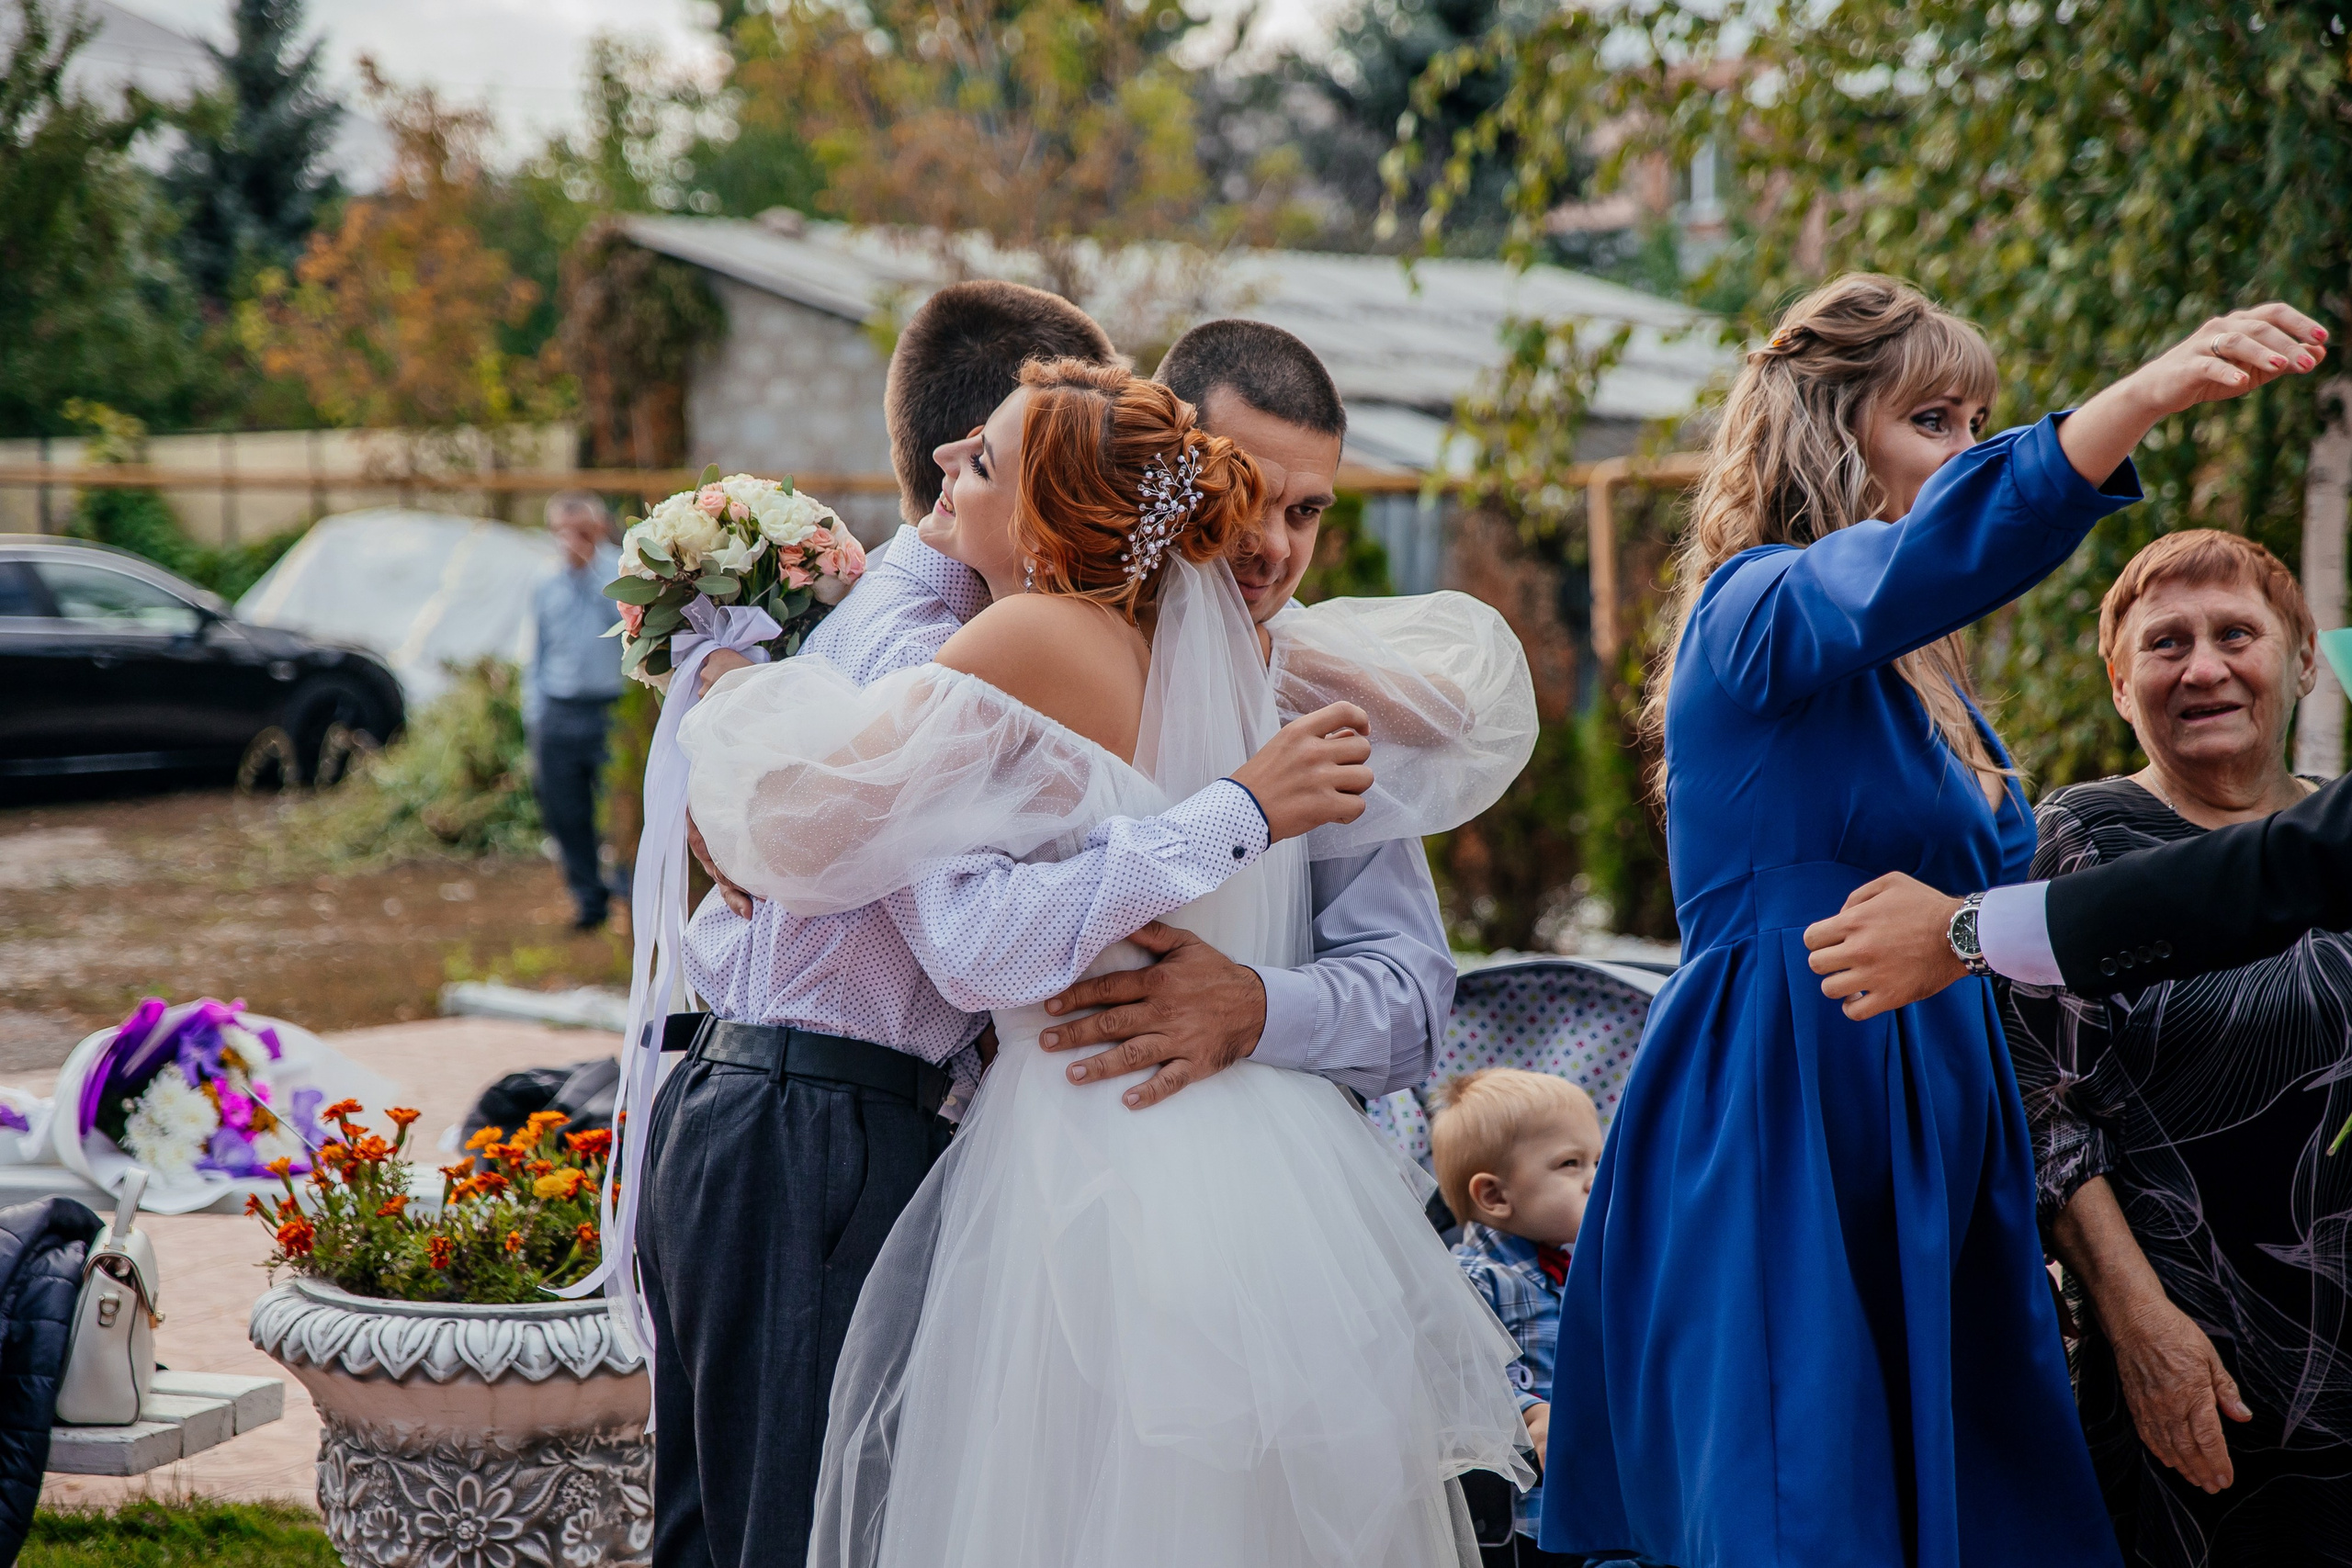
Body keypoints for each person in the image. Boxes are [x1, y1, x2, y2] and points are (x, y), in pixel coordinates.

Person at [682, 360, 1540, 1565]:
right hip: (1262, 1184)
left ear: (1042, 516)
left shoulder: (1035, 635)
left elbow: (900, 881)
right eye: (1257, 500)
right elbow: (1452, 714)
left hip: (1091, 1158)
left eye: (979, 460)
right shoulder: (1254, 667)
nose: (946, 473)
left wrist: (720, 690)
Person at [1541, 273, 2326, 1568]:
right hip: (1792, 1099)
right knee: (1807, 1505)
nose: (1964, 451)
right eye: (1936, 420)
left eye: (1979, 422)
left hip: (1940, 1117)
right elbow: (1942, 546)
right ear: (1829, 433)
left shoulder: (1929, 687)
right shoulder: (1754, 608)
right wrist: (2147, 392)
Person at [1994, 531, 2348, 1566]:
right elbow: (2041, 1105)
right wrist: (2139, 1328)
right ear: (2117, 683)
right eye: (2164, 644)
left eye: (2236, 633)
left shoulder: (2337, 834)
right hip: (2200, 1371)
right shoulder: (2082, 845)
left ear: (2302, 660)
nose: (2204, 667)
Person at [1432, 1070, 1605, 1568]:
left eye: (1597, 1160)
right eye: (1570, 1164)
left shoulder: (1584, 1273)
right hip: (1521, 1519)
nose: (1596, 1178)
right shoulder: (1470, 1278)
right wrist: (1527, 1412)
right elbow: (1454, 1375)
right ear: (1494, 1197)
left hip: (1594, 1501)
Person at [526, 491, 623, 930]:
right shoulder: (544, 583)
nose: (572, 542)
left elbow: (624, 626)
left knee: (619, 807)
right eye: (563, 533)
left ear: (599, 530)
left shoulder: (621, 572)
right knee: (565, 810)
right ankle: (588, 899)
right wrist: (535, 715)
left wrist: (589, 576)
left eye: (582, 532)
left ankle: (630, 892)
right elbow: (538, 651)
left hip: (611, 708)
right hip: (560, 709)